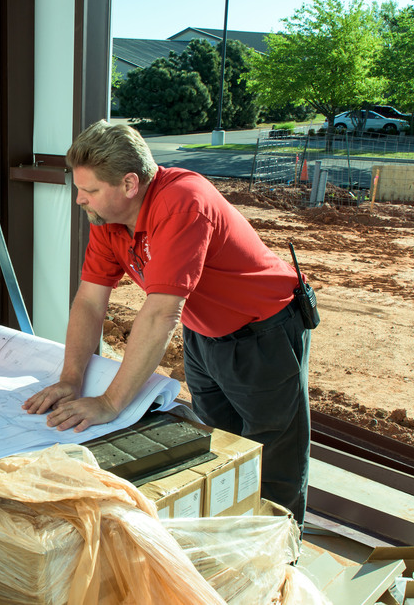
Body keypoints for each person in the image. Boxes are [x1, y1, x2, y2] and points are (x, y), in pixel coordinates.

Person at [23, 120, 313, 523]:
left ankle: (280, 554)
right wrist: (71, 378)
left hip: (262, 332)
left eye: (88, 191)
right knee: (219, 447)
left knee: (274, 456)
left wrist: (110, 403)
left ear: (129, 184)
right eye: (78, 189)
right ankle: (227, 536)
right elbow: (90, 301)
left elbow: (161, 311)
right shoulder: (109, 223)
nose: (79, 200)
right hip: (204, 334)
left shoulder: (182, 201)